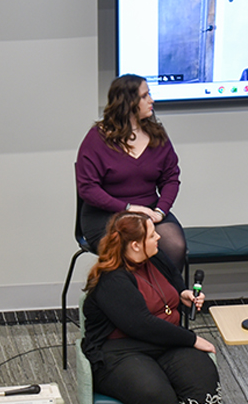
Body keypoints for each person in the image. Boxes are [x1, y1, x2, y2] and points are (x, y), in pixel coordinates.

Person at [81, 212, 222, 404]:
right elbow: (140, 324)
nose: (159, 237)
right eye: (152, 234)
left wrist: (182, 294)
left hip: (165, 342)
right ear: (134, 245)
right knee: (153, 392)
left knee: (203, 375)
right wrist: (192, 338)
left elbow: (172, 282)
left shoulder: (154, 258)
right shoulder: (112, 279)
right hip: (120, 350)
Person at [76, 74, 186, 272]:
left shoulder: (157, 135)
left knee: (174, 245)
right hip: (107, 214)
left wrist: (160, 211)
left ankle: (170, 300)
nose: (151, 100)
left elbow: (171, 179)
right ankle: (134, 301)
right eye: (144, 96)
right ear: (128, 102)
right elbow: (87, 188)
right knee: (131, 247)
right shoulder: (97, 139)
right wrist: (128, 208)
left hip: (150, 210)